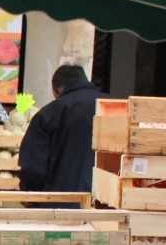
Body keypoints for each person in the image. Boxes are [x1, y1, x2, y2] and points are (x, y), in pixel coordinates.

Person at [18, 64, 105, 194]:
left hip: (59, 205)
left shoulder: (47, 114)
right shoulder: (114, 108)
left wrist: (32, 198)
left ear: (56, 91)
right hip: (107, 205)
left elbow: (33, 169)